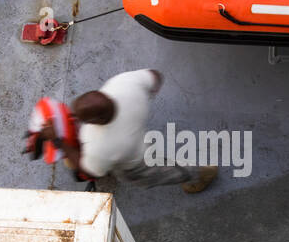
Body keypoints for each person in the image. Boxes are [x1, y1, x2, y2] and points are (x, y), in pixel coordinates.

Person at [36, 69, 217, 193]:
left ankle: (202, 173)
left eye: (81, 118)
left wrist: (60, 142)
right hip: (135, 139)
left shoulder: (102, 146)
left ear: (97, 120)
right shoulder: (122, 84)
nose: (75, 119)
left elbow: (88, 171)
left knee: (163, 172)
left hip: (137, 163)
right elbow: (154, 76)